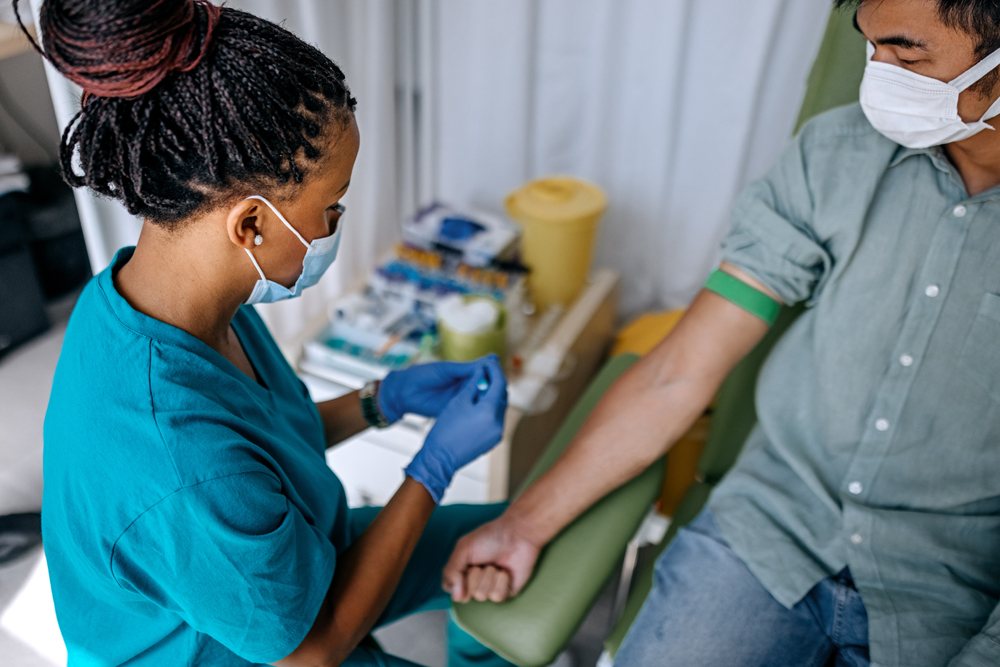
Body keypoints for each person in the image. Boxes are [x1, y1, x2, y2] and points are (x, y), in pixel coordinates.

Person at [443, 1, 1000, 665]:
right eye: (870, 47)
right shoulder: (837, 155)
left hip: (952, 585)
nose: (877, 74)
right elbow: (678, 370)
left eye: (908, 57)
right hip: (772, 533)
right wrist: (522, 524)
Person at [20, 1, 513, 665]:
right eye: (331, 207)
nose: (337, 221)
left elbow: (262, 446)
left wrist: (382, 398)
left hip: (280, 570)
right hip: (264, 647)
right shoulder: (177, 460)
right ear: (250, 225)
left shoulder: (166, 300)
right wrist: (433, 466)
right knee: (487, 578)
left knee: (511, 538)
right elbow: (311, 650)